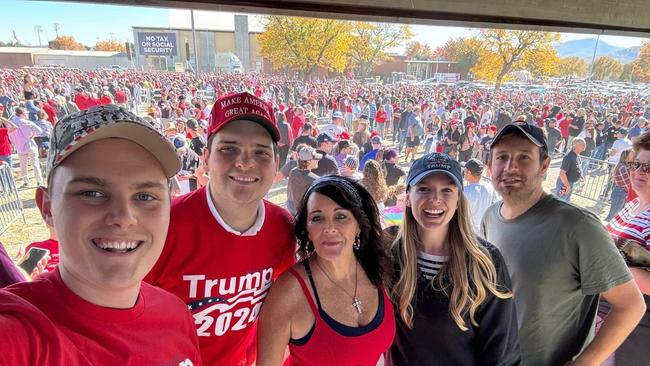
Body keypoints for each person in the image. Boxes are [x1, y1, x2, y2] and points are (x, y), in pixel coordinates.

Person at [0, 105, 201, 365]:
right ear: (47, 207)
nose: (124, 217)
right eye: (92, 193)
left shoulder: (176, 315)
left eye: (145, 196)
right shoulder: (20, 335)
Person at [145, 92, 296, 366]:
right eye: (229, 148)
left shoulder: (283, 228)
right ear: (206, 157)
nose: (245, 162)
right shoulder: (162, 224)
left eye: (261, 152)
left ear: (276, 162)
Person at [481, 121, 645, 366]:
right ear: (489, 166)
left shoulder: (578, 226)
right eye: (501, 157)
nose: (510, 167)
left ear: (544, 165)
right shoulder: (490, 216)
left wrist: (584, 363)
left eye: (524, 157)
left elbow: (631, 305)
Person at [388, 153, 520, 365]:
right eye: (424, 188)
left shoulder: (485, 261)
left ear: (459, 200)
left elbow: (502, 353)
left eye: (447, 190)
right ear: (407, 196)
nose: (435, 199)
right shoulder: (388, 250)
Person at [257, 176, 395, 365]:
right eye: (317, 218)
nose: (329, 228)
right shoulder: (289, 292)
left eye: (341, 216)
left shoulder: (380, 269)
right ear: (307, 228)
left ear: (358, 225)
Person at [606, 130, 650, 365]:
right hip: (610, 315)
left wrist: (608, 265)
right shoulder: (634, 204)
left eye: (648, 168)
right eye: (636, 165)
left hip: (633, 331)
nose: (639, 172)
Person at [9, 107, 44, 187]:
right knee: (35, 164)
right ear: (22, 114)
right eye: (26, 113)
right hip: (30, 144)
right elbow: (40, 131)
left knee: (23, 165)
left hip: (19, 146)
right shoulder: (27, 122)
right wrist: (33, 135)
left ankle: (26, 182)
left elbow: (10, 135)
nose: (27, 114)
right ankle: (39, 181)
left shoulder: (10, 123)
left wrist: (13, 144)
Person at [462, 158, 499, 233]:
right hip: (484, 232)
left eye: (465, 170)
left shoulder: (465, 191)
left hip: (469, 233)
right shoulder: (490, 188)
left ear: (469, 172)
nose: (464, 173)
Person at [287, 145, 321, 215]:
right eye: (315, 158)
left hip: (291, 211)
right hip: (304, 215)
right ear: (309, 161)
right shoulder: (315, 180)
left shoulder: (293, 171)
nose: (318, 160)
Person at [605, 149, 635, 222]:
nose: (634, 155)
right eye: (632, 154)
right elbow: (628, 184)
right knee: (612, 216)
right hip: (620, 193)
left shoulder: (626, 167)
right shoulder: (623, 168)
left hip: (621, 193)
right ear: (626, 156)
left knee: (616, 215)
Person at [555, 137, 586, 202]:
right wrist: (567, 186)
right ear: (576, 145)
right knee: (560, 203)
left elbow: (577, 167)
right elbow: (562, 173)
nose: (584, 146)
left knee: (566, 202)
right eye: (582, 145)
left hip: (570, 183)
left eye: (584, 144)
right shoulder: (569, 157)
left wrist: (580, 176)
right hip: (564, 183)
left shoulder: (577, 156)